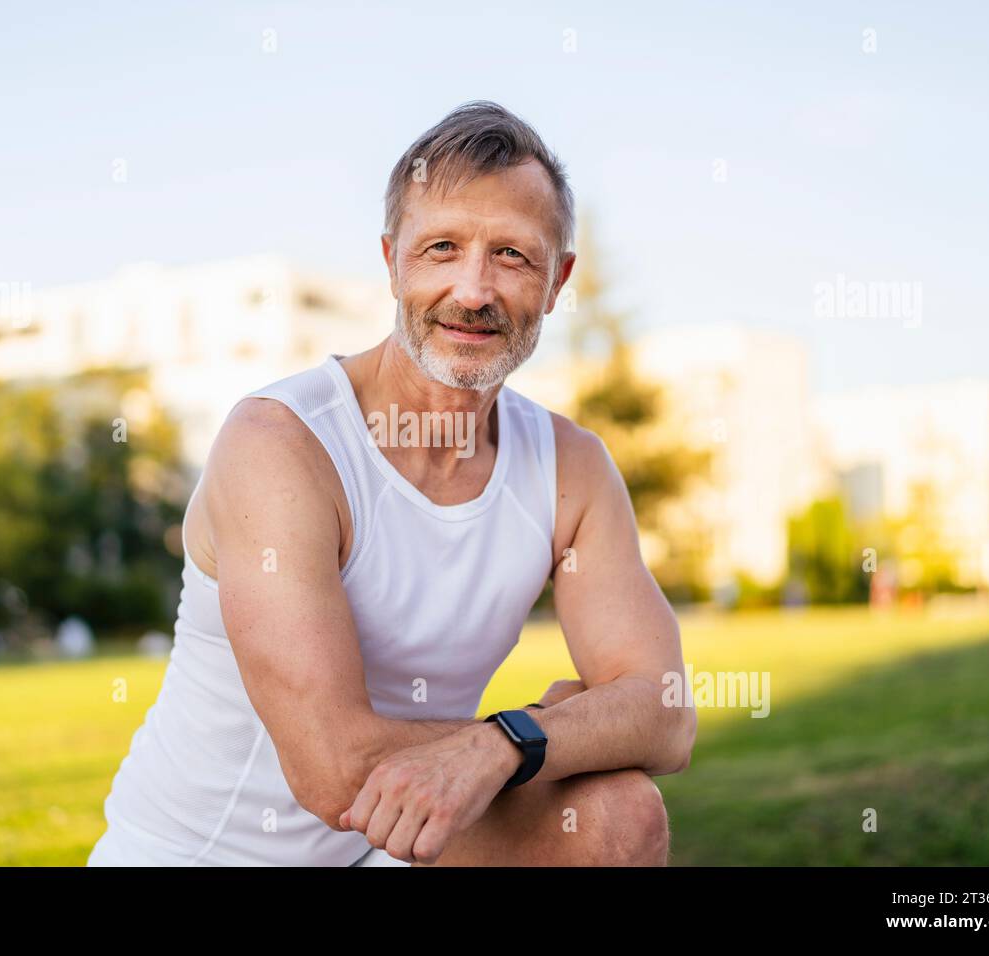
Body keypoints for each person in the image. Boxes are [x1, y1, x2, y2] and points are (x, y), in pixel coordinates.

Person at [88, 100, 694, 867]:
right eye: (443, 247)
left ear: (557, 280)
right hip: (203, 857)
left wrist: (513, 740)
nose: (474, 291)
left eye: (512, 255)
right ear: (391, 261)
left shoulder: (571, 469)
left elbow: (666, 713)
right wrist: (559, 724)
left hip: (401, 845)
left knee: (620, 816)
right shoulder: (281, 445)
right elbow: (332, 766)